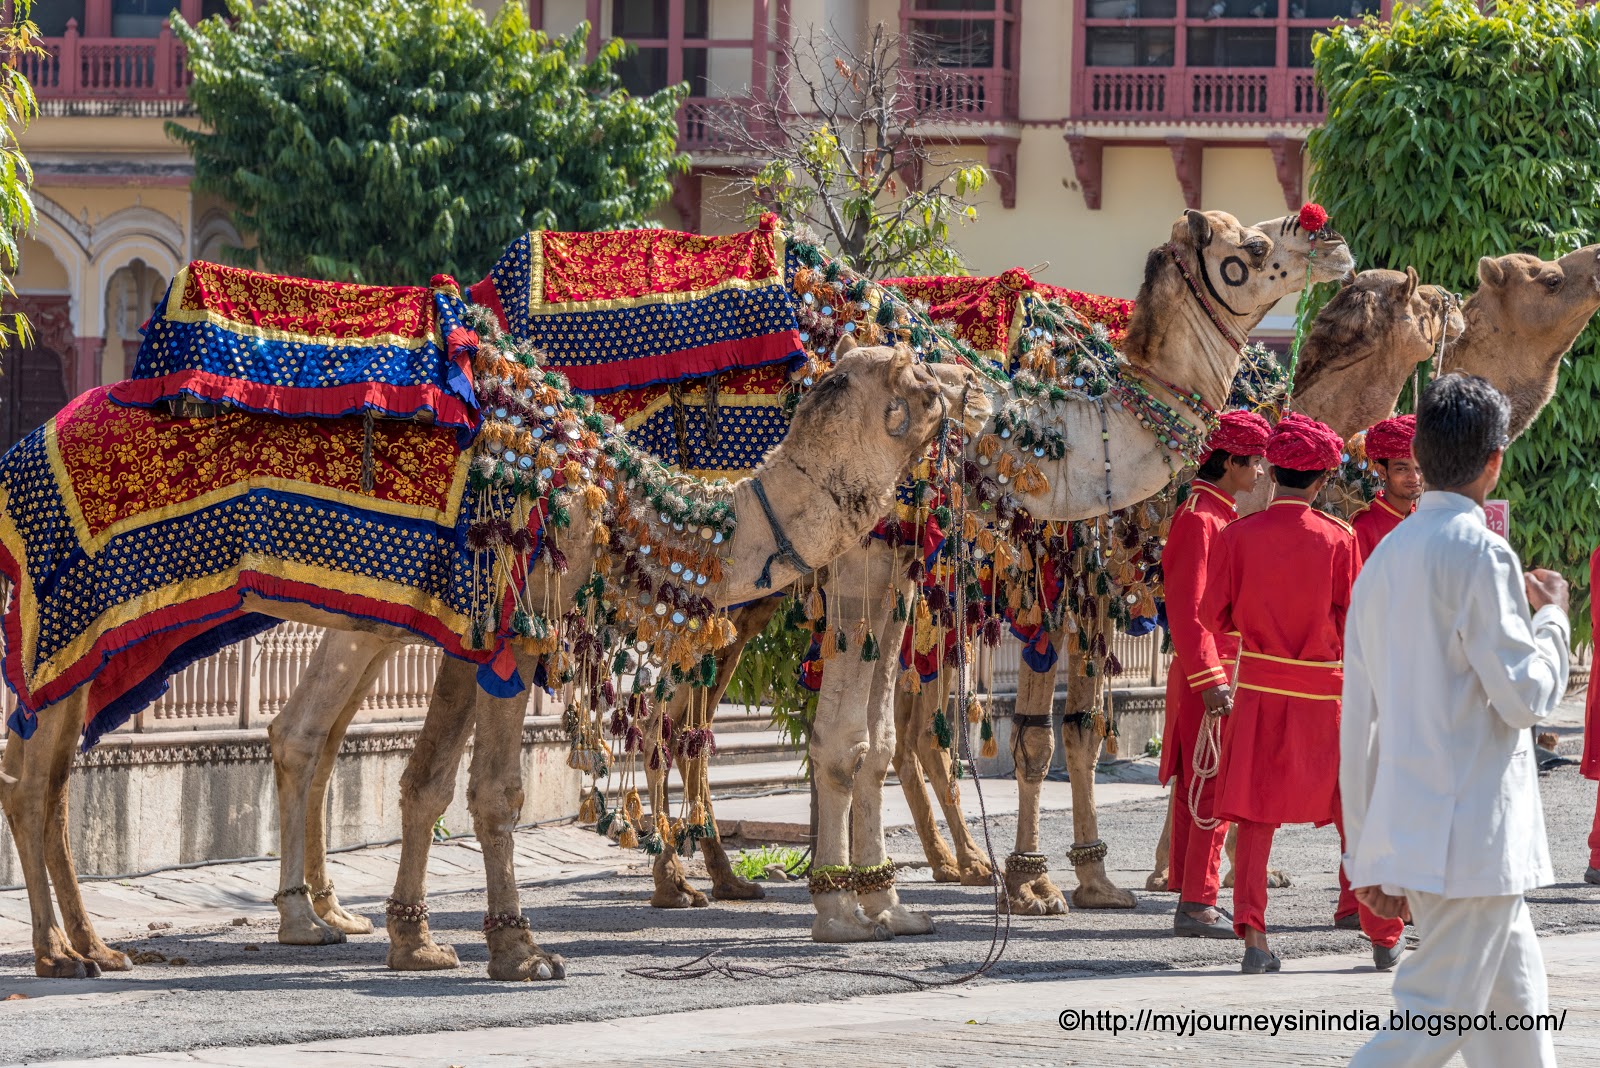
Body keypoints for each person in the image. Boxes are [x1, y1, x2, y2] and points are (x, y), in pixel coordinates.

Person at [1343, 374, 1568, 1068]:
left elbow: (1360, 723)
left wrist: (1367, 849)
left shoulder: (1385, 558)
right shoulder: (1479, 551)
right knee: (1433, 1022)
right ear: (1495, 459)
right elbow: (1527, 695)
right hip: (1474, 839)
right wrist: (1553, 617)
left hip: (1427, 833)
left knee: (1516, 1029)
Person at [1201, 411, 1405, 975]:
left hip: (1261, 692)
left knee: (1256, 816)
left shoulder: (1236, 535)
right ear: (1321, 481)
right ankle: (1384, 936)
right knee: (1356, 812)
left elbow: (1210, 616)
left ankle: (1255, 939)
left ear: (1271, 472)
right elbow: (1355, 622)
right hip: (1327, 698)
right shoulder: (1338, 539)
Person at [1160, 409, 1271, 939]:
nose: (1260, 474)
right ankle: (1199, 899)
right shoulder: (1200, 519)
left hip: (1219, 669)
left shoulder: (1215, 514)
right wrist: (1212, 681)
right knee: (1211, 784)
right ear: (1229, 462)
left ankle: (1189, 890)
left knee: (1198, 782)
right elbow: (1187, 611)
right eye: (1253, 463)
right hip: (1213, 672)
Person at [1351, 414, 1423, 563]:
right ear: (1382, 471)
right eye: (1402, 469)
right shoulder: (1363, 527)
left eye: (1420, 468)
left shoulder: (1427, 522)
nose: (1414, 477)